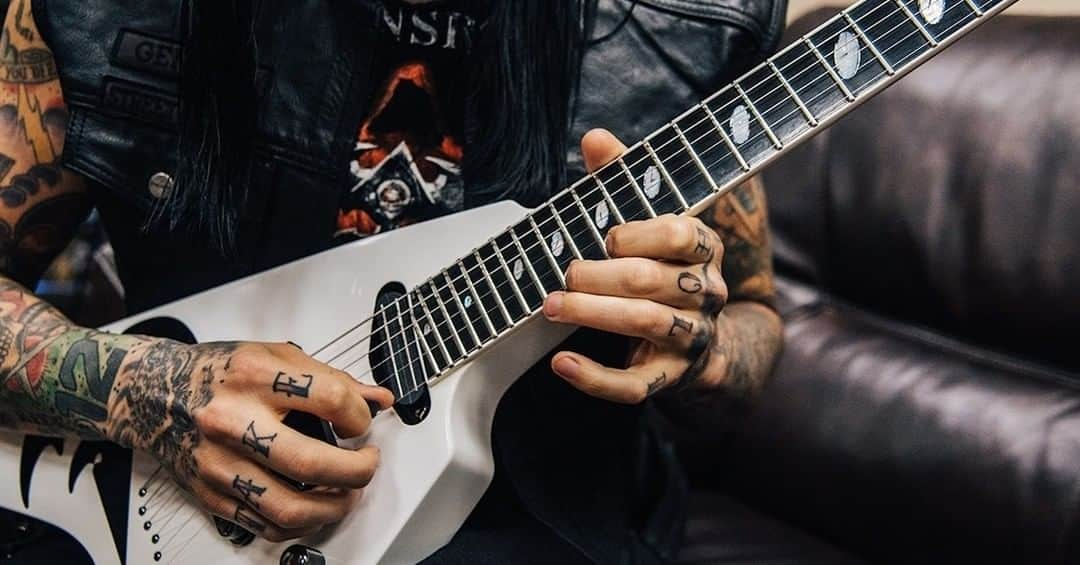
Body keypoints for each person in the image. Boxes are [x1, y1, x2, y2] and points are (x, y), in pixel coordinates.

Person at [0, 0, 783, 562]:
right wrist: (140, 386)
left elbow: (753, 316)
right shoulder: (93, 11)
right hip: (141, 494)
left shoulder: (693, 24)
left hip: (538, 511)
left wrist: (703, 348)